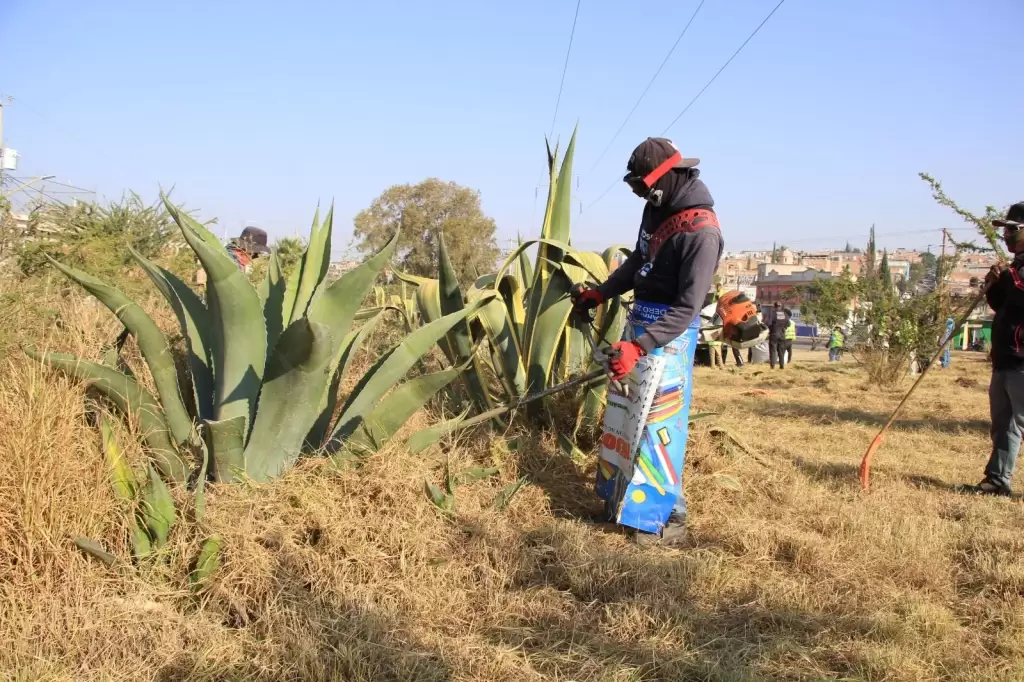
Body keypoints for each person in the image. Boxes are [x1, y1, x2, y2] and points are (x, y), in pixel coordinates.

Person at [571, 137, 722, 545]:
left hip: (669, 338)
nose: (639, 193)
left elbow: (688, 306)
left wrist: (641, 346)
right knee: (625, 420)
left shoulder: (701, 234)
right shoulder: (656, 210)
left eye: (642, 186)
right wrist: (602, 292)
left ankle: (664, 522)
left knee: (659, 427)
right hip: (639, 327)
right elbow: (639, 260)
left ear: (666, 178)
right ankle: (621, 505)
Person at [975, 203, 1024, 496]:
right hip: (1005, 359)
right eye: (1005, 229)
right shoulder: (1016, 266)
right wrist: (993, 285)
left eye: (1012, 229)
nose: (1005, 235)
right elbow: (1004, 305)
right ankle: (996, 480)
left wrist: (1007, 278)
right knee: (1004, 425)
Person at [766, 302, 788, 369]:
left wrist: (771, 327)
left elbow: (768, 323)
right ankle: (782, 366)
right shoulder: (785, 314)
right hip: (782, 335)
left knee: (773, 351)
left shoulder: (772, 314)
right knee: (781, 351)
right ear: (780, 306)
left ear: (774, 306)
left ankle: (772, 366)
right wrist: (783, 327)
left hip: (774, 334)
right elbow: (788, 324)